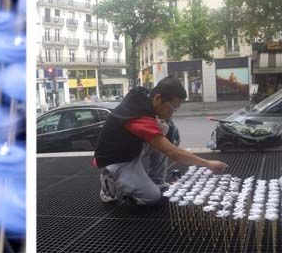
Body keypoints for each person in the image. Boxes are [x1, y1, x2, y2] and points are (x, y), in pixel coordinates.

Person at [92, 77, 227, 206]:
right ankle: (109, 183)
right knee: (152, 198)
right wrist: (208, 163)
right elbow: (171, 151)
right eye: (172, 107)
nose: (173, 113)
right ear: (157, 98)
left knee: (163, 129)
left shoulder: (145, 97)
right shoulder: (138, 117)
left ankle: (157, 181)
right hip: (116, 160)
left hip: (131, 150)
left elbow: (166, 145)